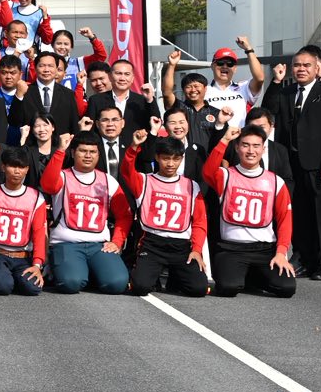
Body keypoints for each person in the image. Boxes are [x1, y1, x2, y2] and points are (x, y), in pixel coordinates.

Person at [268, 44, 321, 279]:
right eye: (297, 65)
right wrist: (276, 82)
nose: (301, 69)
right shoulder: (286, 92)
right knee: (298, 213)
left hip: (318, 164)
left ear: (317, 67)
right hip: (291, 164)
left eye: (306, 65)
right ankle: (302, 257)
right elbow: (268, 109)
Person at [202, 126, 298, 298]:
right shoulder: (226, 175)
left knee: (286, 288)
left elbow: (285, 219)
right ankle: (239, 275)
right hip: (231, 249)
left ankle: (250, 276)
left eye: (256, 146)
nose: (251, 151)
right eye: (245, 145)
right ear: (237, 148)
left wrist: (281, 253)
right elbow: (208, 171)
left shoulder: (276, 181)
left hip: (264, 250)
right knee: (228, 287)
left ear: (263, 148)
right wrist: (224, 140)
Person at [39, 133, 132, 295]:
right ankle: (67, 269)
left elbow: (124, 215)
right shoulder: (62, 176)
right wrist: (60, 150)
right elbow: (47, 185)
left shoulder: (108, 181)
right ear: (73, 152)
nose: (88, 156)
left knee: (116, 284)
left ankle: (90, 271)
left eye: (93, 152)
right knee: (70, 283)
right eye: (83, 151)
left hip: (98, 245)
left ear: (98, 154)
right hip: (66, 243)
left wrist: (116, 242)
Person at [120, 133, 210, 298]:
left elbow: (199, 222)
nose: (170, 164)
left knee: (199, 289)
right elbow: (126, 170)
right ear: (157, 157)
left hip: (181, 247)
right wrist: (133, 147)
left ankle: (176, 278)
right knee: (140, 287)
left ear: (181, 159)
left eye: (176, 159)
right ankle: (146, 273)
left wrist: (197, 250)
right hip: (152, 244)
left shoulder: (192, 186)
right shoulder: (144, 181)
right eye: (166, 158)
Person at [0, 148, 48, 297]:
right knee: (3, 288)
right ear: (3, 167)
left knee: (33, 289)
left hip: (23, 257)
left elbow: (39, 232)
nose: (17, 171)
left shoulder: (36, 197)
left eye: (21, 167)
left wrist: (37, 264)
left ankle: (11, 278)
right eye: (13, 166)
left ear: (27, 169)